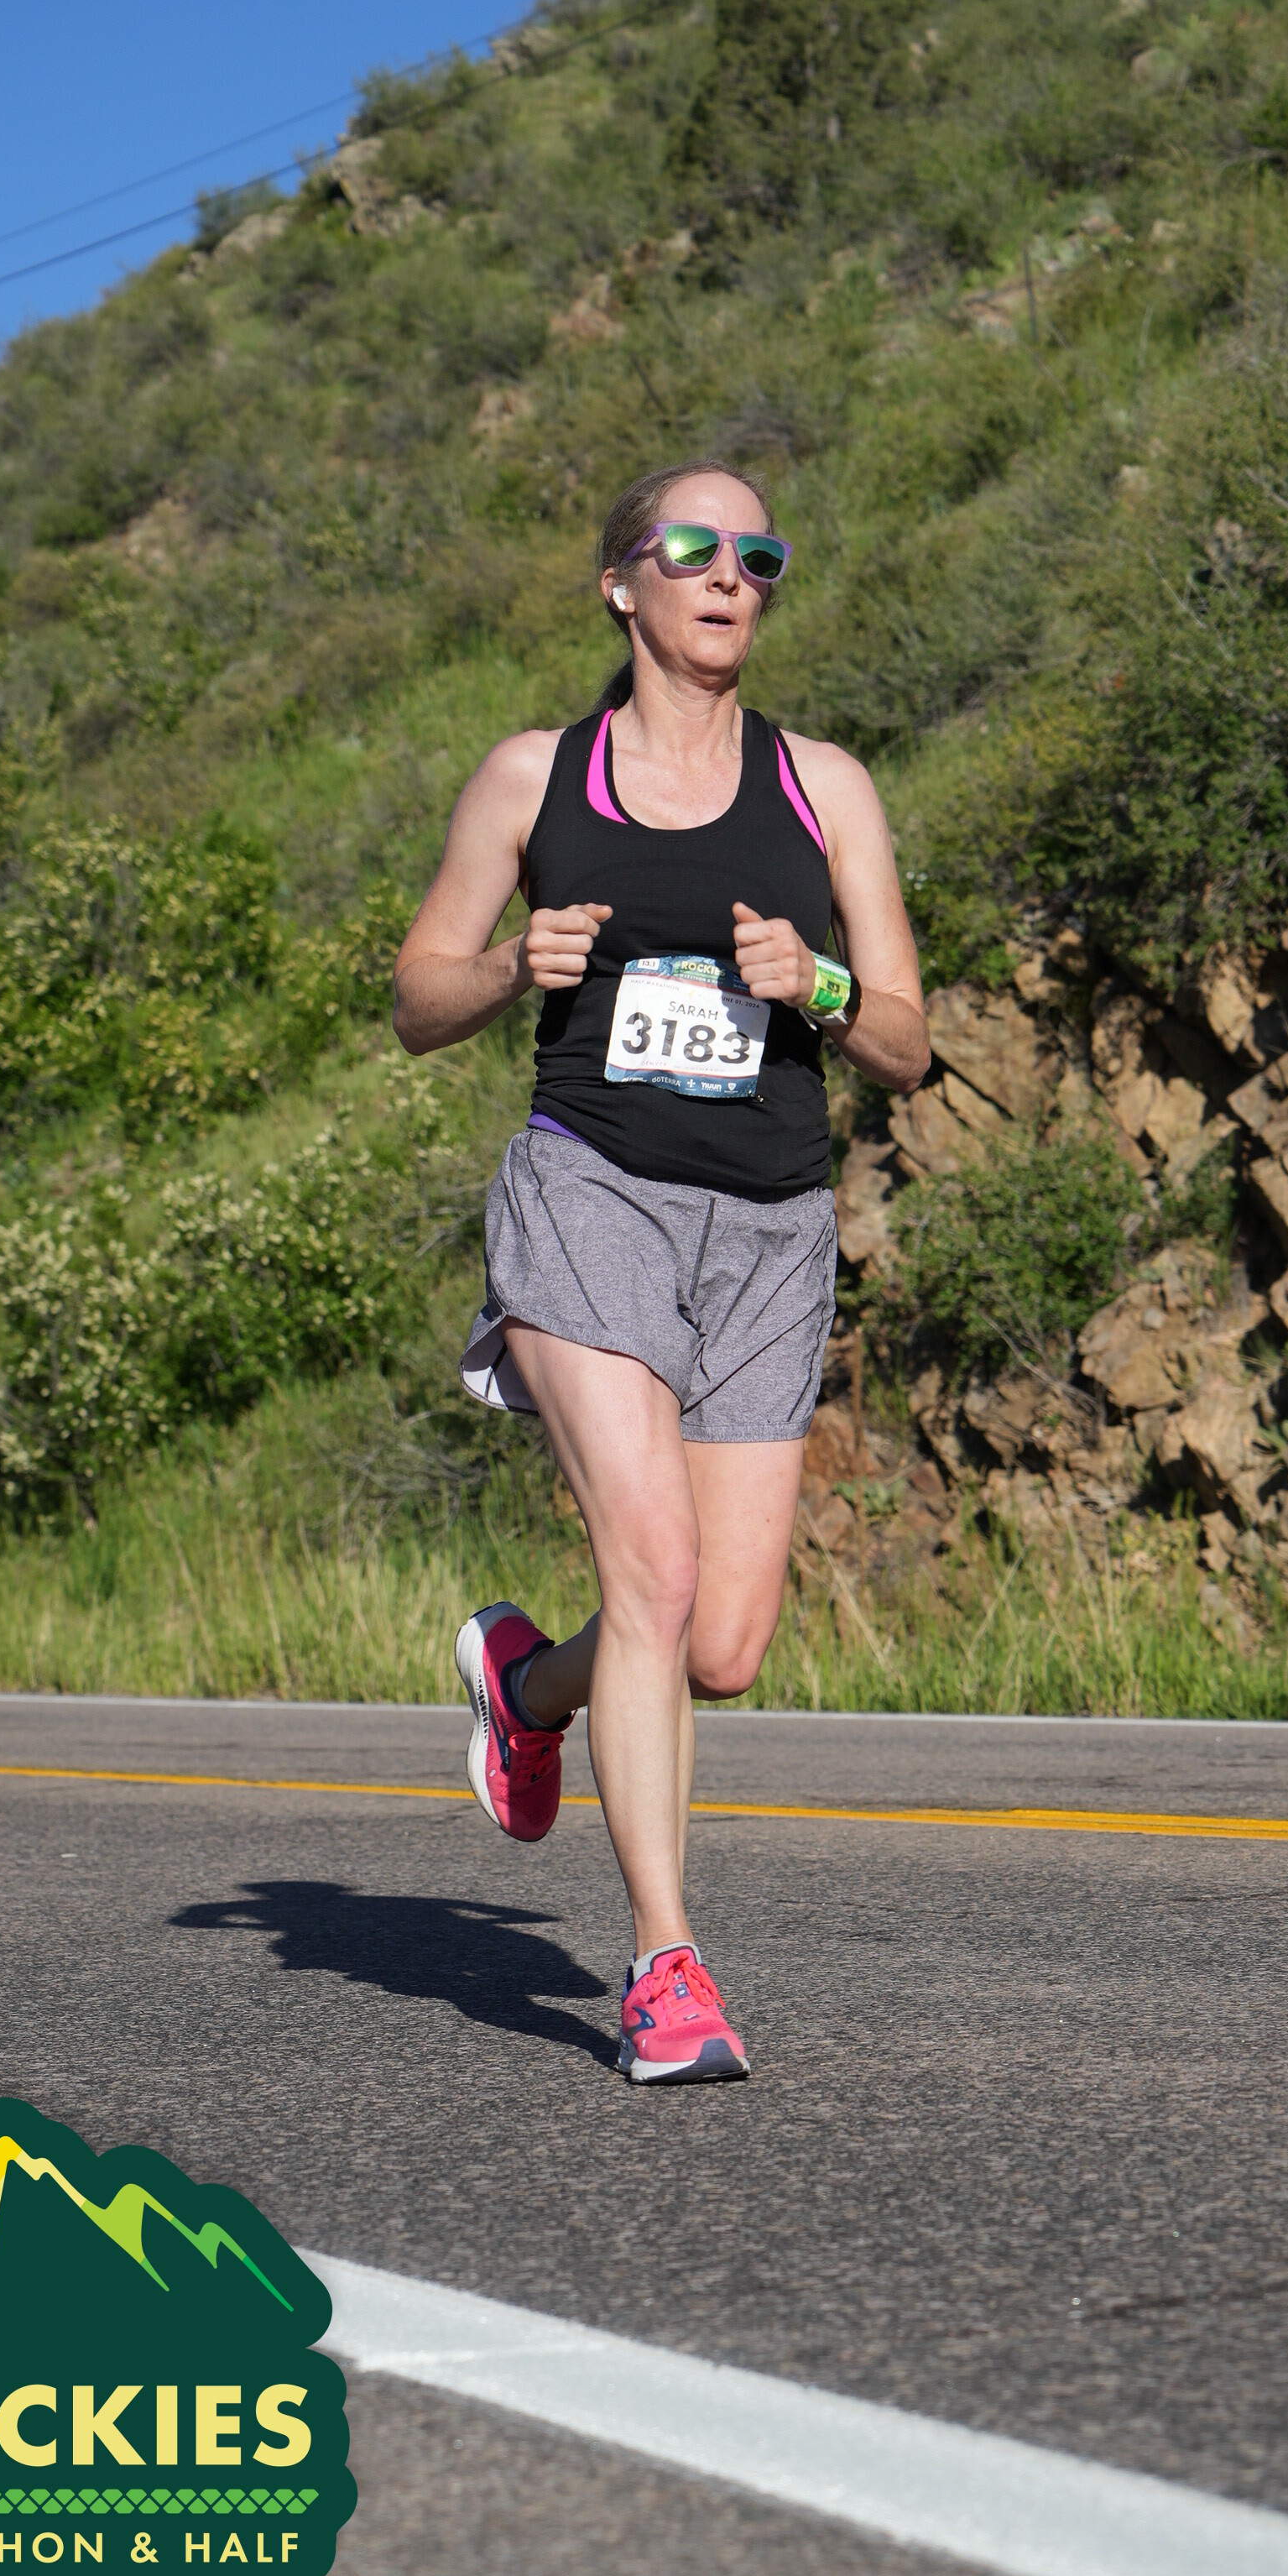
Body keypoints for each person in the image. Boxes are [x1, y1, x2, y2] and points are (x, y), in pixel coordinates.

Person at [393, 461, 931, 2082]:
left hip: (769, 1225)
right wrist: (512, 964)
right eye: (691, 548)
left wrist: (817, 983)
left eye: (757, 554)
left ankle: (527, 1690)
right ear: (623, 584)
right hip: (592, 1192)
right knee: (655, 1567)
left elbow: (907, 1039)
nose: (728, 575)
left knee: (718, 1646)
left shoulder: (826, 786)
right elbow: (417, 999)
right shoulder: (535, 777)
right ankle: (665, 1962)